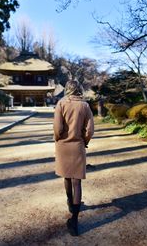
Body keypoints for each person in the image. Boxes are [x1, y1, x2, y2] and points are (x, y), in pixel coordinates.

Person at [53, 80, 94, 236]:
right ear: (79, 89)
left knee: (67, 177)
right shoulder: (85, 106)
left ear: (67, 89)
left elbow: (58, 128)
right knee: (77, 182)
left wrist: (58, 139)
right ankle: (74, 221)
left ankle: (70, 203)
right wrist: (85, 141)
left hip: (63, 146)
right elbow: (89, 130)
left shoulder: (61, 103)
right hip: (78, 146)